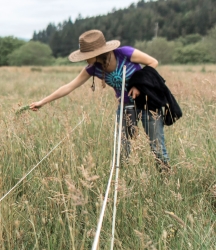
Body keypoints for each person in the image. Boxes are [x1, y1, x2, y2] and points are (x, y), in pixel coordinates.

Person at [29, 29, 171, 171]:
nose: (84, 58)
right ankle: (123, 181)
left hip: (148, 102)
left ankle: (165, 176)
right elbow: (69, 87)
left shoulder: (125, 53)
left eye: (86, 55)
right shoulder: (93, 68)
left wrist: (138, 85)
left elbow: (153, 62)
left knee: (157, 147)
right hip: (125, 106)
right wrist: (42, 102)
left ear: (97, 53)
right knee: (122, 149)